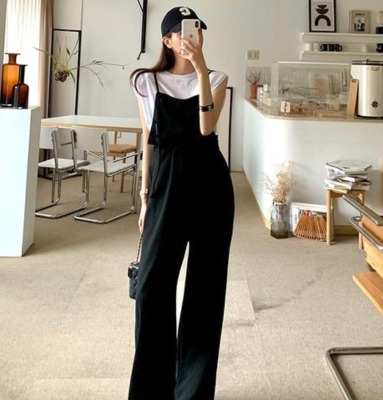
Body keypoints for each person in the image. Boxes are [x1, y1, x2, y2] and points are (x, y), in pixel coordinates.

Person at [128, 6, 235, 400]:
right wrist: (144, 198)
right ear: (166, 40)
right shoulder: (146, 81)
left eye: (197, 29)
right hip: (166, 185)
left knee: (205, 291)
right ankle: (152, 391)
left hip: (210, 187)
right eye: (182, 31)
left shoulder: (217, 78)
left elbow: (206, 128)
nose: (192, 36)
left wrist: (201, 69)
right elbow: (149, 140)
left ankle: (192, 392)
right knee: (152, 288)